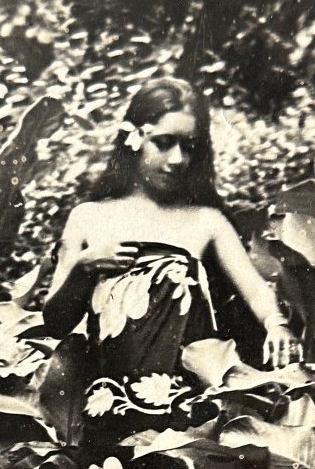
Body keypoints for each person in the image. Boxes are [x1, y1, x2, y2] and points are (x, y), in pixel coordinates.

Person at [42, 77, 301, 444]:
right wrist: (84, 266)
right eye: (163, 143)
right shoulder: (88, 217)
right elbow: (54, 320)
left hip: (184, 421)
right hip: (106, 414)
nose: (177, 159)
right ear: (134, 140)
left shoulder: (205, 221)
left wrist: (276, 324)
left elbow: (256, 290)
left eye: (188, 146)